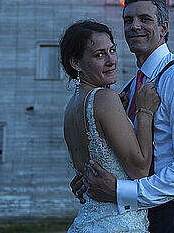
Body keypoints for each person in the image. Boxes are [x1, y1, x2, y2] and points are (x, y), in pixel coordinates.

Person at [71, 0, 174, 233]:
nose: (134, 26)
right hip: (141, 216)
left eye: (145, 19)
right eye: (128, 20)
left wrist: (120, 191)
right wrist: (91, 176)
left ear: (163, 28)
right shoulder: (129, 88)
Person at [61, 20, 161, 232]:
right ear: (76, 63)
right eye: (99, 55)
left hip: (87, 222)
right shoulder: (105, 98)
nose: (111, 61)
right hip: (117, 223)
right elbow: (140, 170)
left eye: (112, 50)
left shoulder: (71, 108)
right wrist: (145, 112)